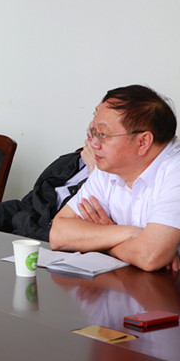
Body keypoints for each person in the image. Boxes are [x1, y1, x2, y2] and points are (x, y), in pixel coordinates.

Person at [50, 85, 180, 271]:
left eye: (103, 135)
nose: (94, 144)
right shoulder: (108, 166)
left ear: (143, 142)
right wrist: (131, 233)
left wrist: (99, 240)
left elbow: (149, 256)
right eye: (93, 132)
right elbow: (58, 234)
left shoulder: (175, 171)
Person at [0, 140, 96, 242]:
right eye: (93, 120)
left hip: (52, 252)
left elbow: (72, 236)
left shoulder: (104, 183)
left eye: (101, 130)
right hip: (22, 243)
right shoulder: (68, 162)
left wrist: (96, 174)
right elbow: (26, 206)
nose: (91, 128)